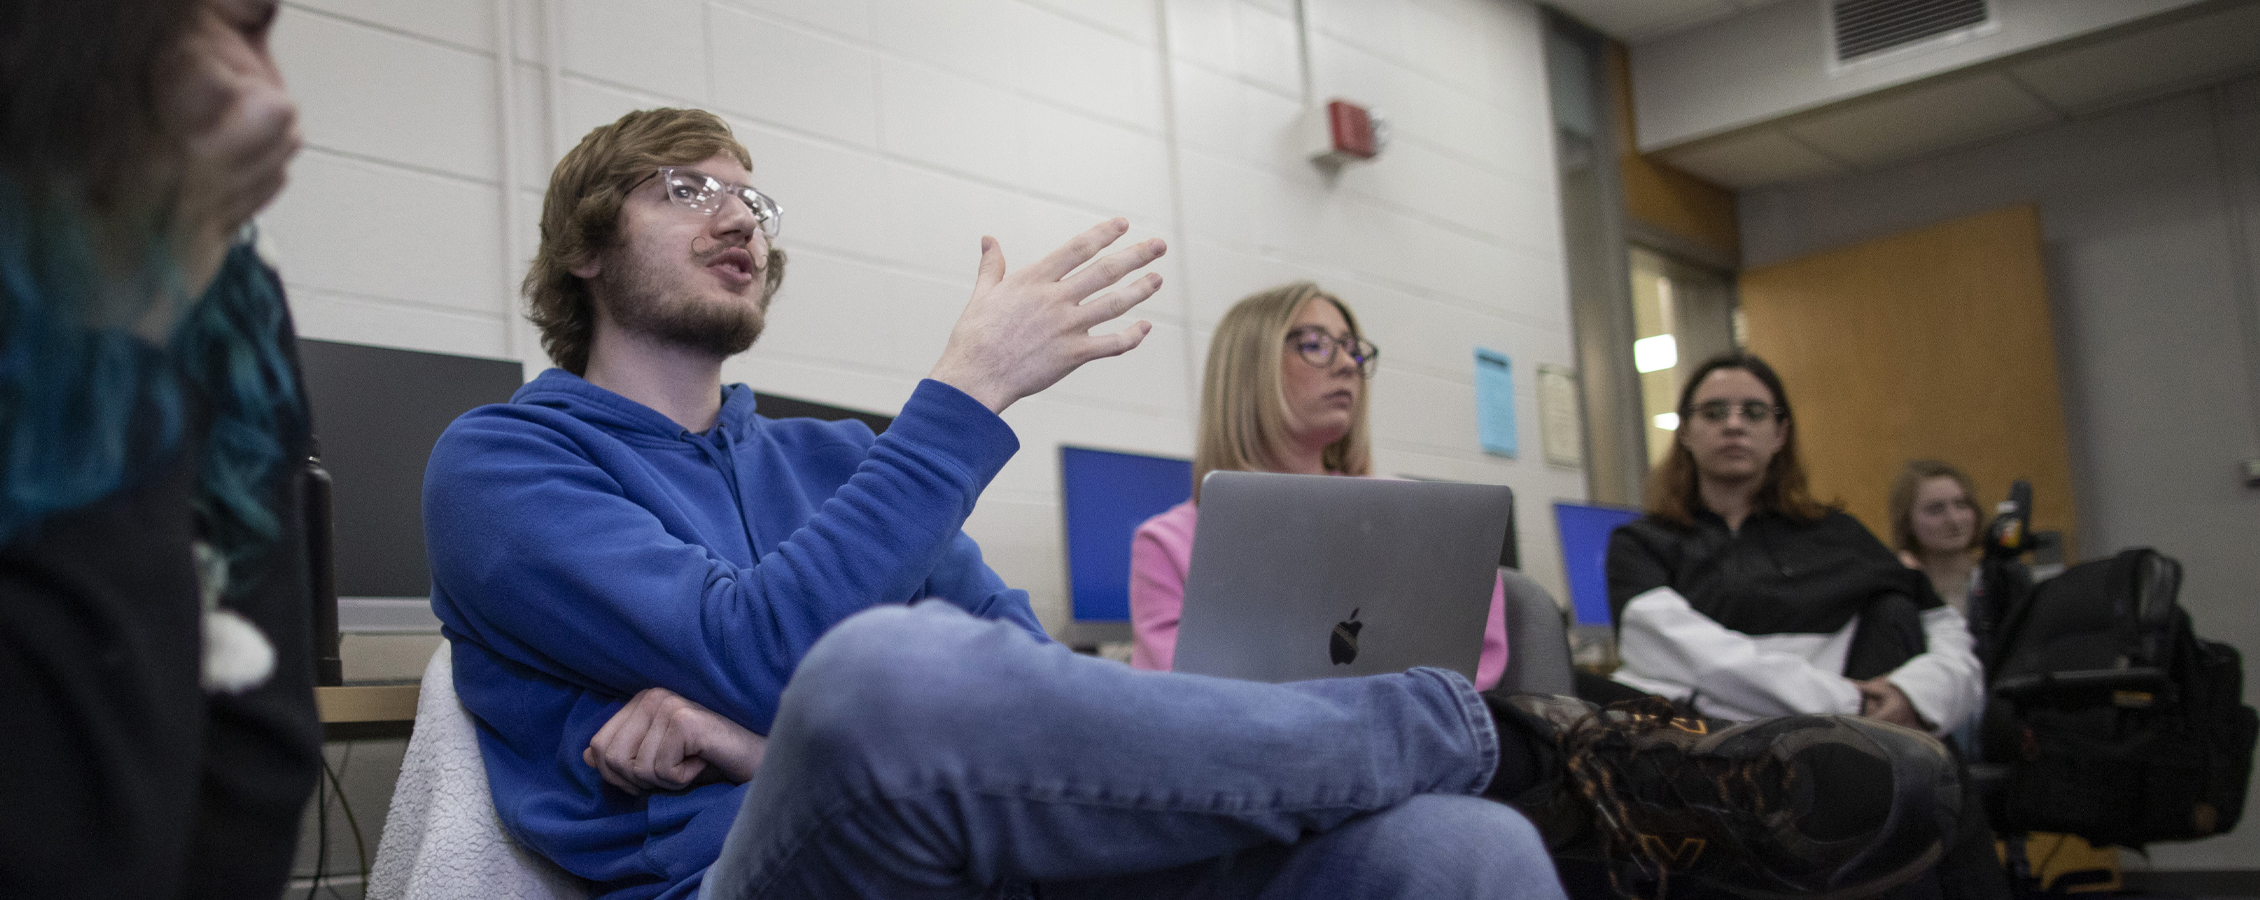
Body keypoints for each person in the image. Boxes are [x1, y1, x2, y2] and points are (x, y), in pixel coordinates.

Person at [424, 108, 1959, 900]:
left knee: (1458, 860)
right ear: (580, 249)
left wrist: (747, 723)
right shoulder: (499, 466)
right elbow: (764, 645)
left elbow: (1017, 688)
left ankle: (1488, 779)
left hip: (992, 862)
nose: (739, 217)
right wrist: (967, 395)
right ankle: (1506, 739)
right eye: (688, 189)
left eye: (754, 195)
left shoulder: (832, 464)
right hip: (761, 880)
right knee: (879, 668)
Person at [1, 0, 322, 896]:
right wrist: (122, 306)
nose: (276, 96)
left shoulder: (238, 300)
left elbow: (258, 762)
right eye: (240, 27)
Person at [1604, 352, 2000, 900]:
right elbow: (1689, 654)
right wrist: (1841, 705)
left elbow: (1948, 637)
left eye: (1753, 411)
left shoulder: (1839, 536)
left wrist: (1914, 696)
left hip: (1859, 749)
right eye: (1714, 411)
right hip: (1722, 749)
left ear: (1780, 432)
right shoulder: (1643, 545)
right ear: (1687, 433)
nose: (1734, 423)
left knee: (1893, 617)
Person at [1127, 282, 1510, 687]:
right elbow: (1175, 705)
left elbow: (1475, 668)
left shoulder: (1417, 518)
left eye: (1352, 349)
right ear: (1248, 369)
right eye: (1315, 345)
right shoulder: (1167, 546)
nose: (1347, 364)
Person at [1890, 459, 1982, 615]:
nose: (1954, 519)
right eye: (1935, 510)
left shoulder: (1997, 585)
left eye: (1961, 504)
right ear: (1907, 522)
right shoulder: (1899, 595)